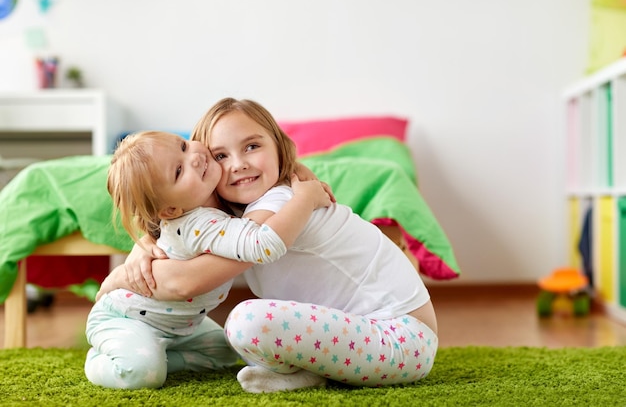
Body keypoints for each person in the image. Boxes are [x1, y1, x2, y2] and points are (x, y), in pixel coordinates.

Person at [99, 98, 438, 393]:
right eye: (220, 154)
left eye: (252, 147)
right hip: (370, 335)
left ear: (278, 145)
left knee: (246, 322)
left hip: (402, 338)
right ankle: (309, 373)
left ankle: (307, 373)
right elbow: (177, 222)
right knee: (245, 338)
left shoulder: (281, 202)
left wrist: (304, 197)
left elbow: (189, 277)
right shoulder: (233, 212)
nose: (238, 163)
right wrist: (145, 242)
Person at [87, 130, 331, 389]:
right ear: (171, 210)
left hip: (180, 327)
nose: (193, 157)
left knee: (224, 354)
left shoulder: (213, 196)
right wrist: (305, 200)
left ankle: (157, 355)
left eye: (183, 145)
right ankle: (101, 361)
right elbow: (261, 244)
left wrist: (291, 167)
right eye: (179, 171)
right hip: (125, 318)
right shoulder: (199, 224)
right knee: (142, 374)